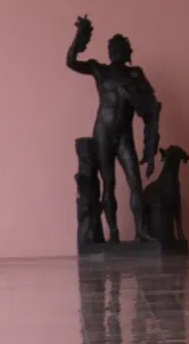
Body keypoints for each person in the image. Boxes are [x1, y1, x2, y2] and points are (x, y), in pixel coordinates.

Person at [67, 17, 161, 240]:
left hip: (123, 135)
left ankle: (141, 230)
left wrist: (150, 150)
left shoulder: (135, 73)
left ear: (127, 52)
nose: (116, 52)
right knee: (108, 183)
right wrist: (81, 35)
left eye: (120, 48)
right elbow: (71, 61)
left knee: (135, 181)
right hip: (103, 133)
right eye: (113, 48)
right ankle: (114, 233)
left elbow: (151, 108)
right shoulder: (100, 70)